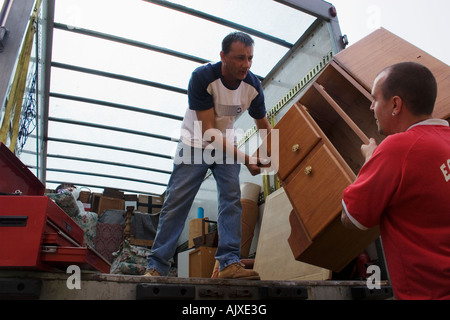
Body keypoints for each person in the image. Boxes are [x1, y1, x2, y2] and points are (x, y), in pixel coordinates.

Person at [145, 32, 271, 279]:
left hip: (226, 145)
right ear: (223, 56)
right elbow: (209, 132)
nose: (246, 64)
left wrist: (272, 154)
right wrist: (247, 159)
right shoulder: (202, 77)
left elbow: (264, 126)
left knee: (231, 200)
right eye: (239, 58)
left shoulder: (253, 86)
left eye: (250, 58)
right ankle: (157, 266)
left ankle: (228, 264)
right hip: (194, 142)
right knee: (176, 202)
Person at [341, 62, 450, 300]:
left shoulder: (398, 148)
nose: (371, 107)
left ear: (395, 104)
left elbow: (351, 217)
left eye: (375, 99)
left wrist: (370, 160)